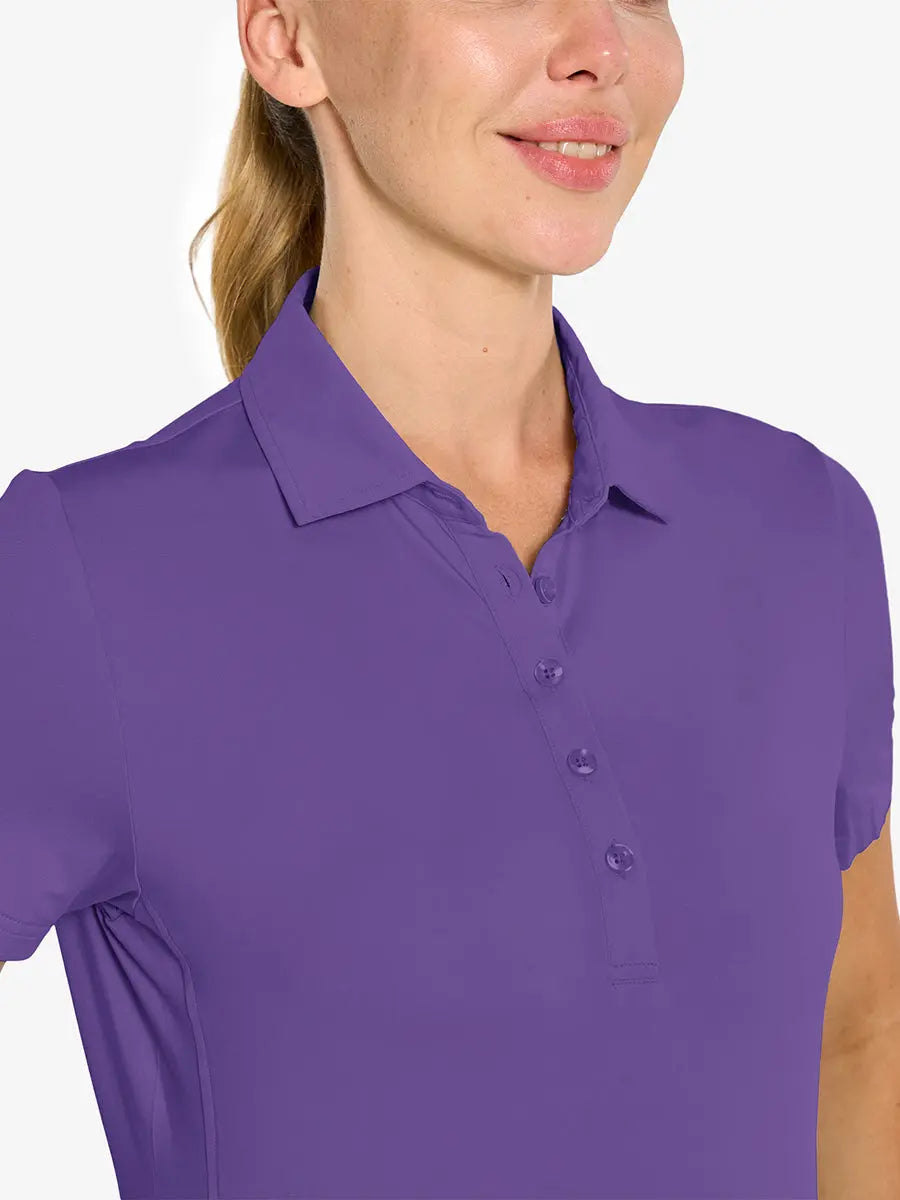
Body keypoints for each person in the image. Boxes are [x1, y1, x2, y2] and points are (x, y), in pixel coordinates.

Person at [1, 1, 898, 1197]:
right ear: (288, 42)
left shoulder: (795, 527)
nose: (601, 47)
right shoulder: (86, 571)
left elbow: (856, 1038)